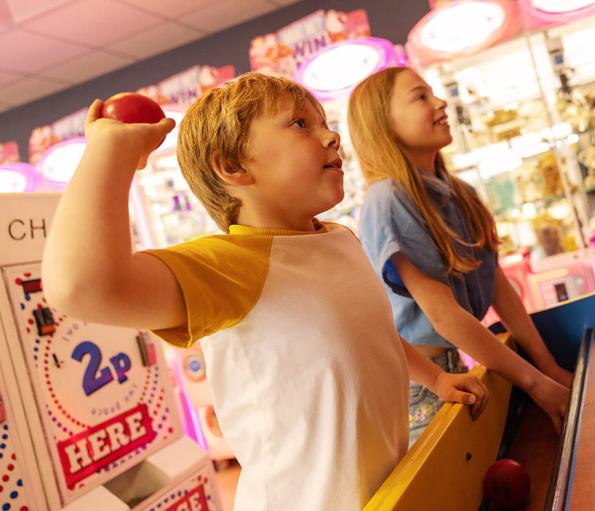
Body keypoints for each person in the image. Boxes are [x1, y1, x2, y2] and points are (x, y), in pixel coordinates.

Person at [41, 73, 488, 510]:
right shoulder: (228, 265)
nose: (331, 136)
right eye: (300, 124)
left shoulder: (338, 237)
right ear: (232, 166)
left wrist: (435, 378)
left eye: (322, 121)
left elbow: (372, 335)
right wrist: (111, 149)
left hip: (386, 493)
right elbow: (82, 287)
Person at [347, 67, 573, 445]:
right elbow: (444, 314)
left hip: (453, 365)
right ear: (382, 123)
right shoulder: (388, 199)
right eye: (420, 97)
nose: (440, 103)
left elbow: (497, 284)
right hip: (418, 383)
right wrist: (536, 383)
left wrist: (547, 366)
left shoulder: (458, 191)